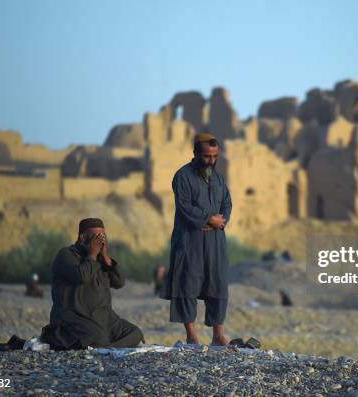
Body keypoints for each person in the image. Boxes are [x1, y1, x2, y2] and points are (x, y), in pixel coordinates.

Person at [160, 133, 232, 345]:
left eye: (215, 156)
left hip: (215, 240)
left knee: (217, 282)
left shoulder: (218, 177)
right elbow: (184, 206)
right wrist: (209, 219)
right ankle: (191, 335)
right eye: (207, 156)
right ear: (196, 154)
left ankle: (218, 335)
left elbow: (227, 203)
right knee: (187, 283)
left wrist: (222, 220)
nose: (211, 160)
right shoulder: (182, 176)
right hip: (189, 239)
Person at [40, 218, 145, 350]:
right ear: (82, 237)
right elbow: (81, 276)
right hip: (75, 319)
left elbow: (119, 282)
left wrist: (106, 258)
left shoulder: (101, 259)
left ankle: (105, 347)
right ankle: (104, 345)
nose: (100, 241)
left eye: (103, 236)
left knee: (135, 333)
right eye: (96, 237)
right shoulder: (66, 254)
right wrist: (92, 255)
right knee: (97, 339)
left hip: (105, 318)